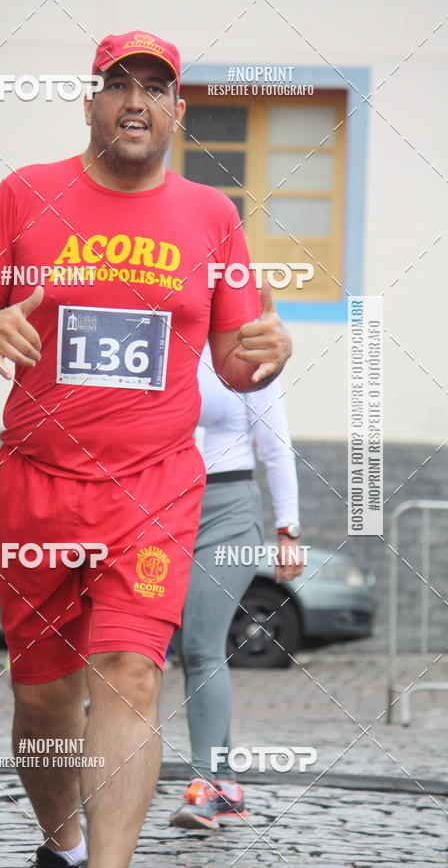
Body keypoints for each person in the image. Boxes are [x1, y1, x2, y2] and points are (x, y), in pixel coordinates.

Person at [0, 30, 292, 868]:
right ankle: (61, 845)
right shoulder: (25, 195)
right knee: (43, 700)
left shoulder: (213, 216)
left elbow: (233, 360)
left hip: (155, 487)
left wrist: (264, 358)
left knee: (129, 673)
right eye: (117, 83)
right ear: (90, 100)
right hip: (34, 486)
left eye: (155, 87)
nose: (136, 100)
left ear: (178, 110)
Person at [169, 342, 303, 829]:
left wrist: (288, 530)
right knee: (188, 649)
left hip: (228, 512)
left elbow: (275, 445)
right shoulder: (157, 335)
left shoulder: (245, 351)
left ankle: (204, 787)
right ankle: (226, 787)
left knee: (202, 645)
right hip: (162, 505)